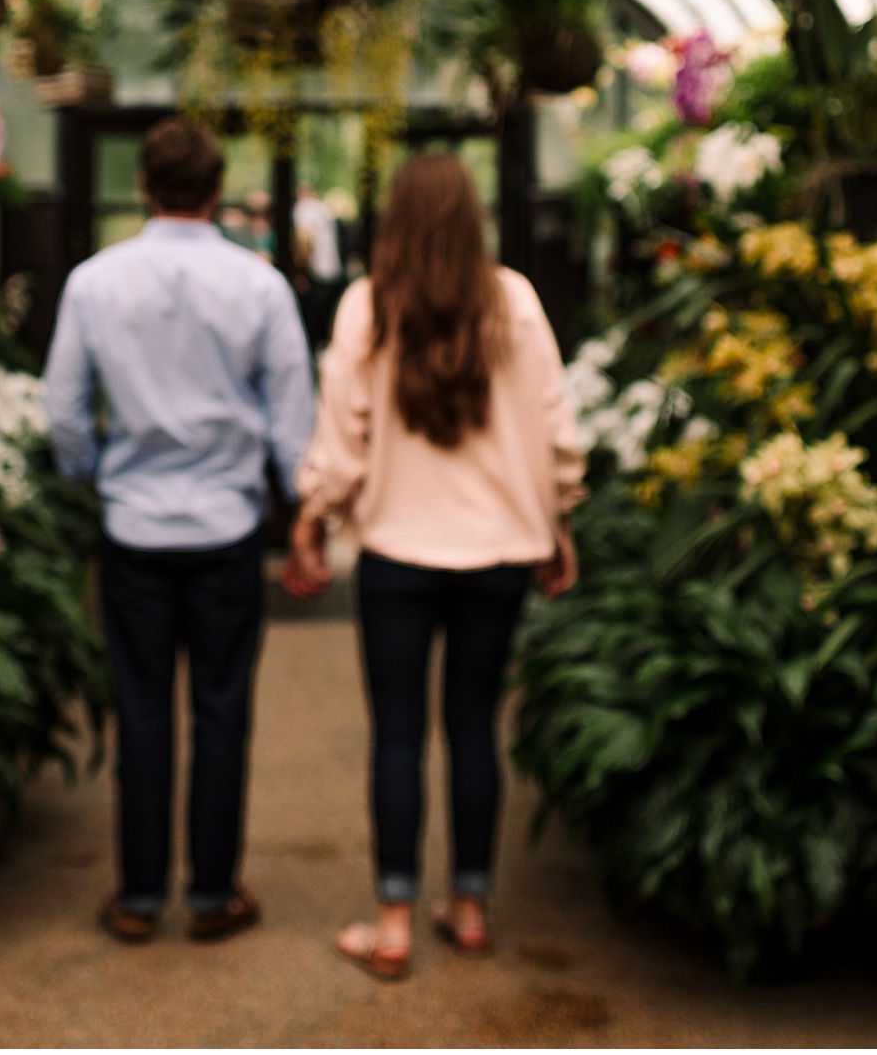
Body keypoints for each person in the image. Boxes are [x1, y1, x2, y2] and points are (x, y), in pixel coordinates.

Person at [284, 151, 584, 979]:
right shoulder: (514, 300)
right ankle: (473, 906)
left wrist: (312, 515)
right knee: (474, 727)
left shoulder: (367, 306)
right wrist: (558, 521)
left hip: (396, 555)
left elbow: (342, 441)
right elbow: (556, 431)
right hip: (500, 556)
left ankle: (391, 923)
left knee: (399, 734)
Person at [44, 116, 316, 945]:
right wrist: (296, 506)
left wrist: (89, 473)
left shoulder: (94, 281)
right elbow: (292, 416)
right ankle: (212, 895)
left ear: (144, 187)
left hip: (133, 528)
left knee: (143, 711)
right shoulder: (260, 286)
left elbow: (62, 410)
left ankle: (136, 897)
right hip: (227, 528)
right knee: (223, 711)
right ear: (217, 186)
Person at [291, 182, 345, 346]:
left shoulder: (304, 208)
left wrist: (300, 271)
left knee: (310, 331)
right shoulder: (323, 209)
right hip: (333, 274)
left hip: (316, 274)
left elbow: (304, 241)